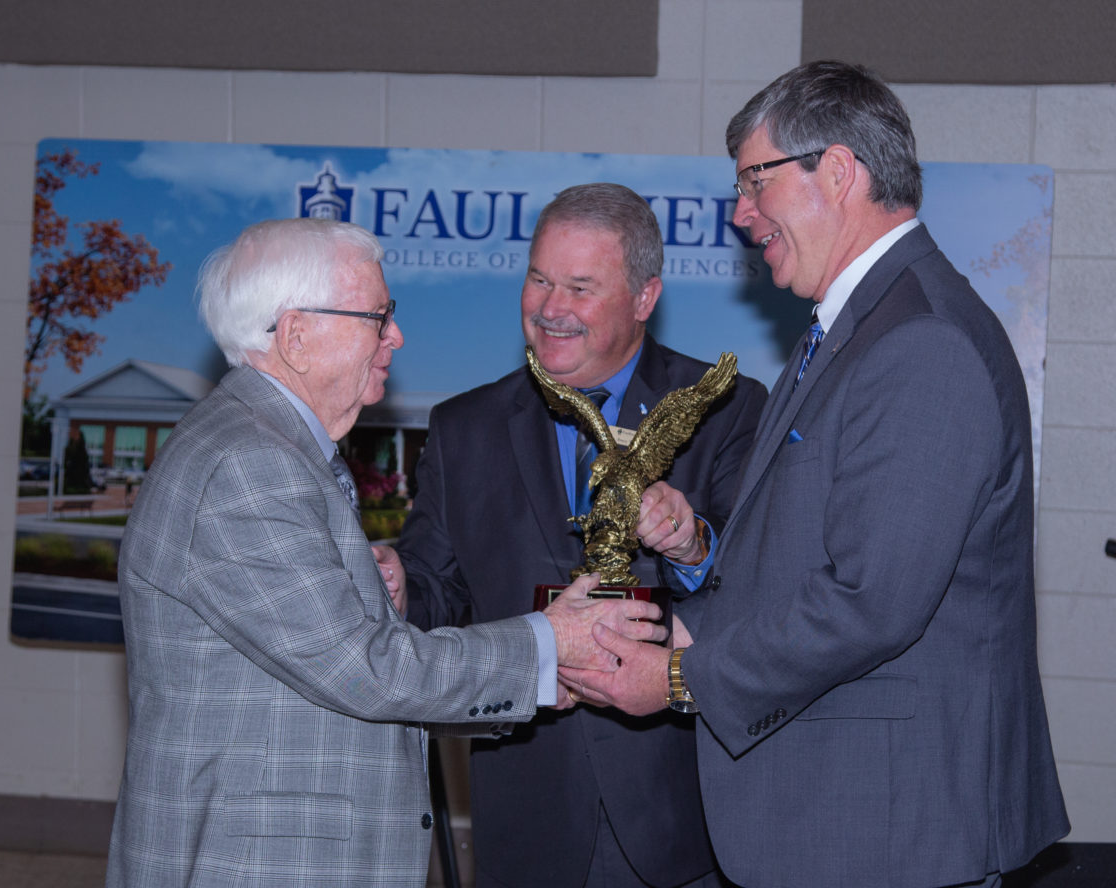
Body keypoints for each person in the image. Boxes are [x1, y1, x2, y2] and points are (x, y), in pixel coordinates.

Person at [560, 61, 1071, 888]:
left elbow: (871, 600)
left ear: (837, 171)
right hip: (848, 826)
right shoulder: (856, 330)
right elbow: (791, 564)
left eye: (755, 183)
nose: (740, 214)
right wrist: (666, 633)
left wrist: (679, 677)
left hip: (888, 833)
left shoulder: (922, 342)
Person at [104, 218, 669, 888]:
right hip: (261, 861)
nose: (396, 336)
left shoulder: (267, 445)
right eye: (379, 316)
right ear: (297, 336)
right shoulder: (250, 464)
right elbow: (364, 671)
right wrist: (549, 643)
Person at [391, 183, 767, 887]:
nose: (551, 309)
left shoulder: (726, 411)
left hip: (682, 821)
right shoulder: (463, 429)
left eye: (581, 287)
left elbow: (761, 590)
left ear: (645, 297)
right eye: (539, 279)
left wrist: (693, 546)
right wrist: (397, 587)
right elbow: (436, 590)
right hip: (527, 820)